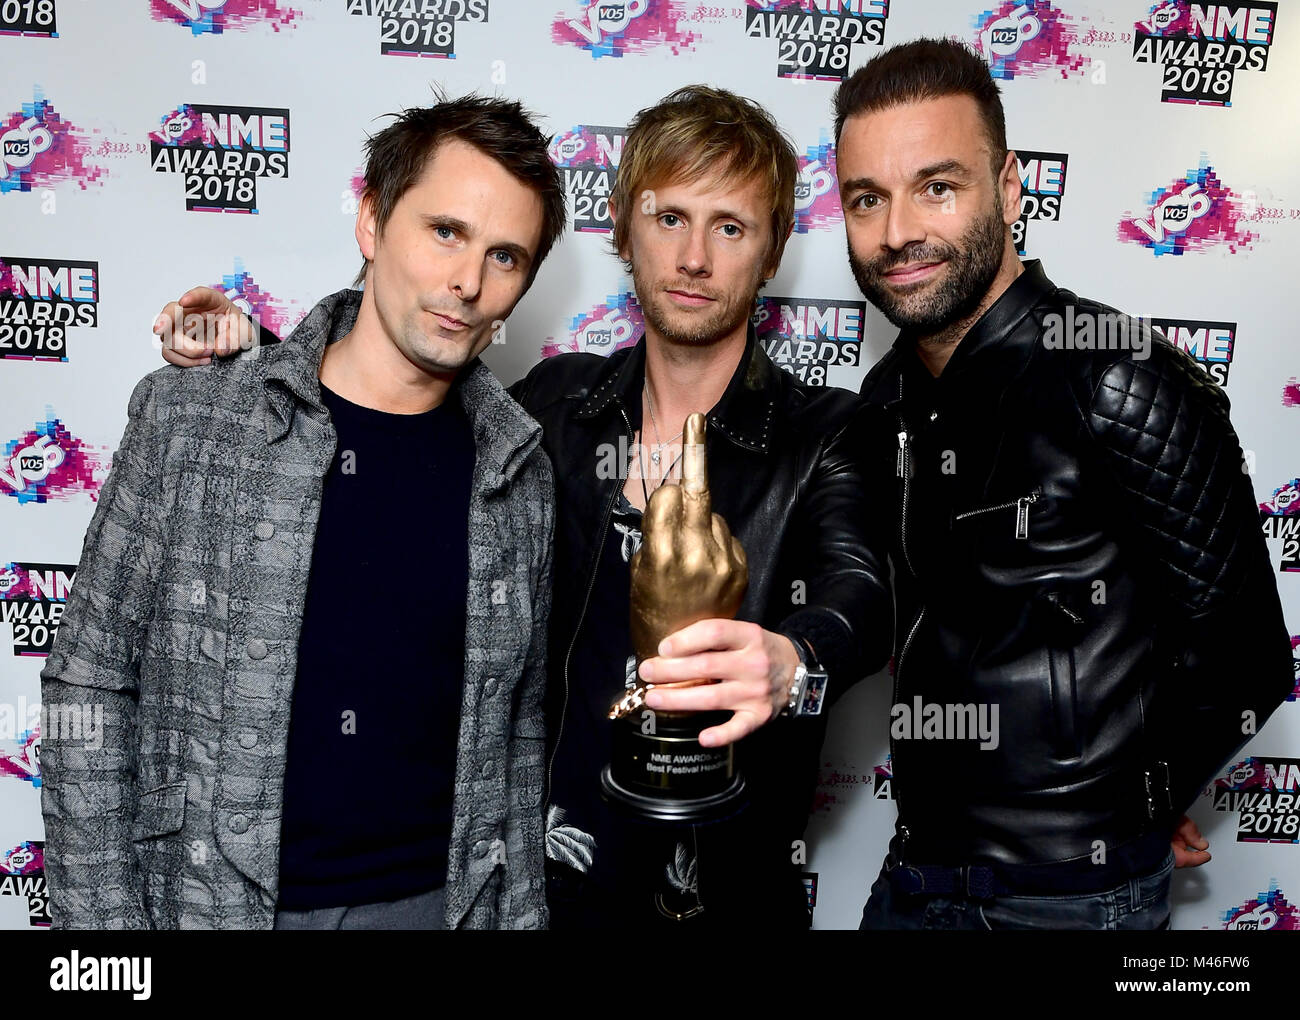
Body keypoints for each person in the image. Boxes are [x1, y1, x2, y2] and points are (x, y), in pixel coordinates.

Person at [155, 85, 894, 929]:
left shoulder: (825, 434)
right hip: (539, 899)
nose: (694, 258)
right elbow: (399, 387)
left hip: (724, 900)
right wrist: (259, 358)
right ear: (621, 226)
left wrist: (795, 662)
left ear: (771, 253)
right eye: (669, 218)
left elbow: (862, 594)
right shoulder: (549, 406)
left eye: (731, 227)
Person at [40, 94, 566, 930]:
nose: (468, 283)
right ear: (370, 221)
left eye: (506, 256)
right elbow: (90, 684)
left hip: (436, 910)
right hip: (217, 907)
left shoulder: (518, 470)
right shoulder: (196, 418)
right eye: (445, 232)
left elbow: (518, 737)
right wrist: (107, 936)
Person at [835, 38, 1294, 930]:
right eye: (867, 199)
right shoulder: (885, 398)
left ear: (1009, 189)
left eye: (937, 187)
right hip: (916, 880)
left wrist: (1140, 804)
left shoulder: (1115, 375)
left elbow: (1246, 659)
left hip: (1070, 904)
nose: (897, 234)